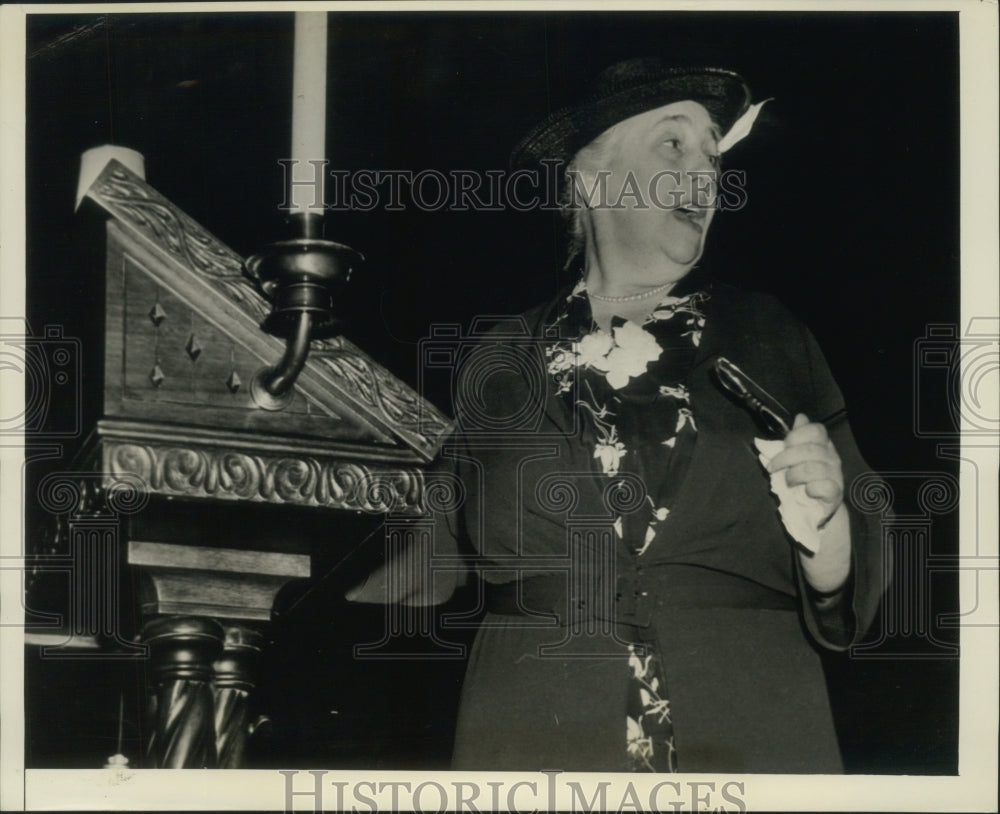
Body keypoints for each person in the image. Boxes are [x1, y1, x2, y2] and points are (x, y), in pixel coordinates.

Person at [349, 57, 886, 773]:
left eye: (713, 158)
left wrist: (827, 531)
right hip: (536, 723)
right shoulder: (497, 356)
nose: (704, 173)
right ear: (589, 178)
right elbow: (408, 554)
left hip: (753, 722)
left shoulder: (771, 333)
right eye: (673, 144)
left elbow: (863, 553)